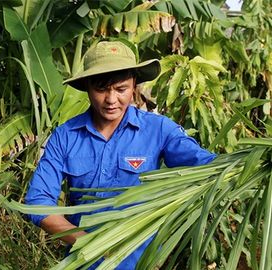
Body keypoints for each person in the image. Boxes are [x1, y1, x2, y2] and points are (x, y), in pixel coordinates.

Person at [25, 40, 216, 269]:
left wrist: (248, 161)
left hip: (140, 263)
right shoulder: (65, 137)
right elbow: (38, 203)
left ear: (134, 84)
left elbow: (206, 165)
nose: (111, 100)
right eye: (101, 89)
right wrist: (90, 243)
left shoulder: (159, 130)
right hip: (83, 263)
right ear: (87, 86)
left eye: (121, 89)